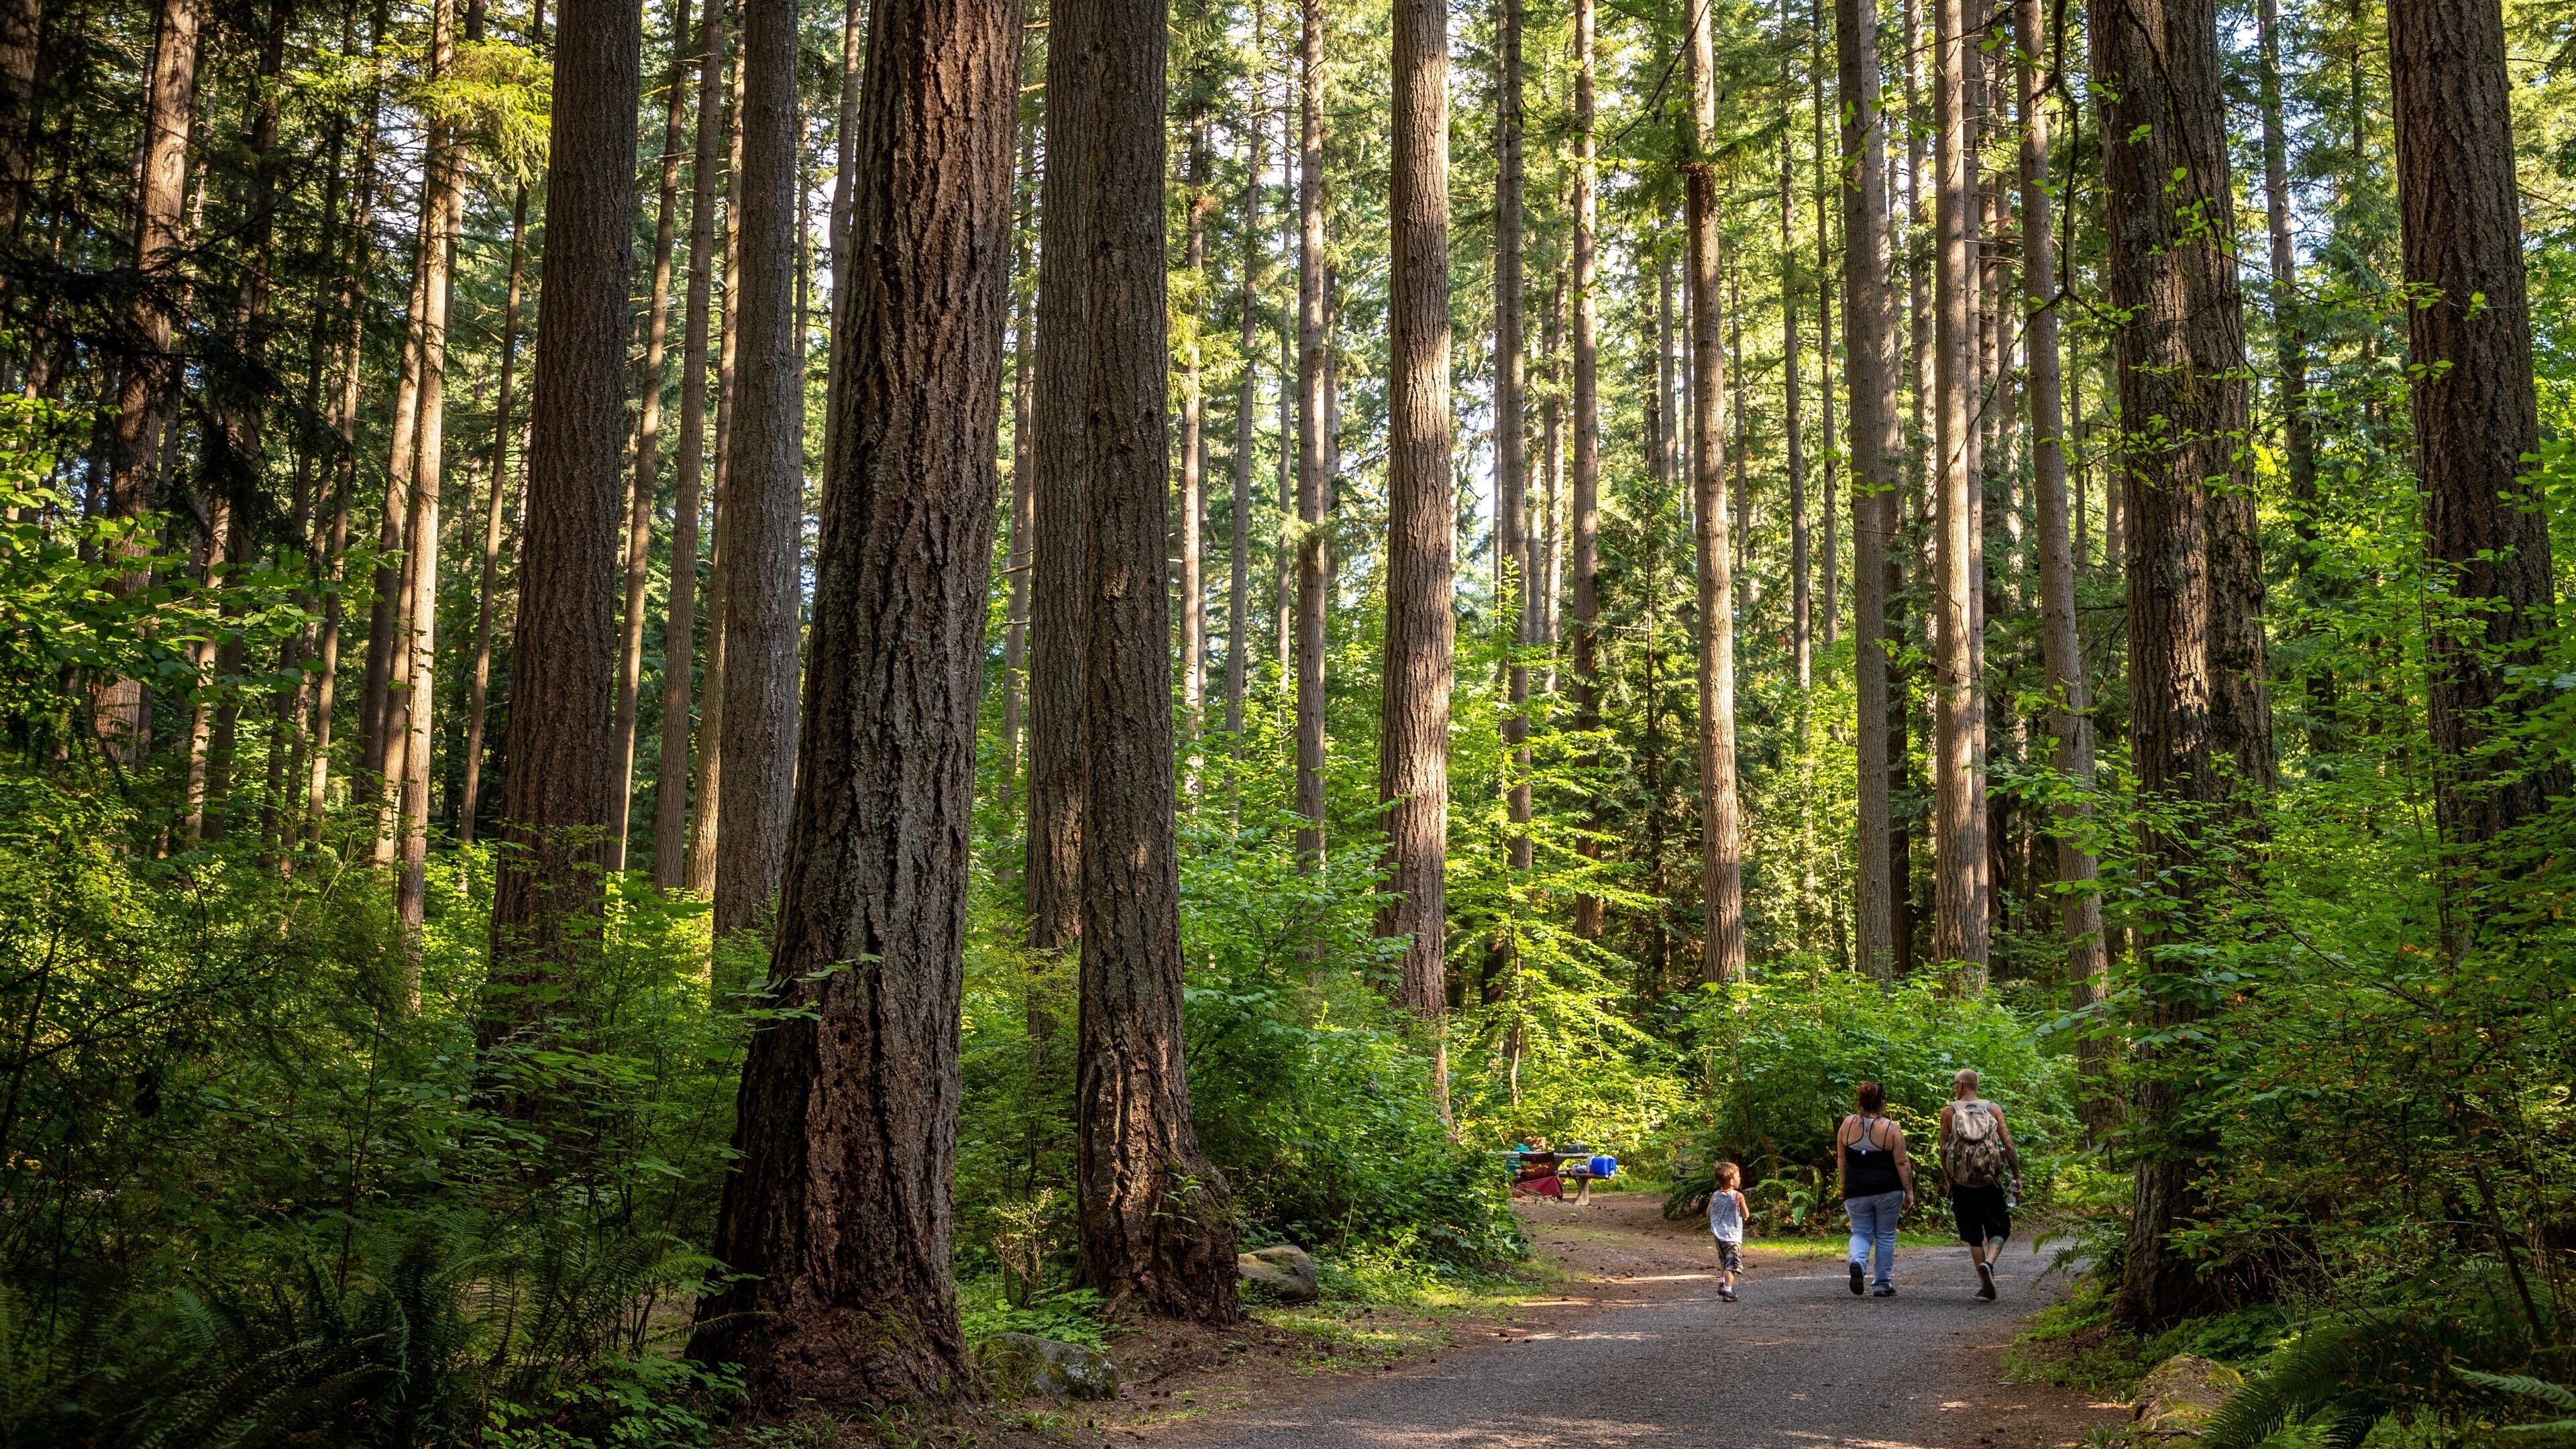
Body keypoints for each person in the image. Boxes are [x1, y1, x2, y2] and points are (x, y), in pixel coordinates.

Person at [1937, 1069, 2023, 1301]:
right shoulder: (1992, 1109)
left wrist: (1949, 1179)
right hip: (1989, 1182)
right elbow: (2008, 1144)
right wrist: (2017, 1176)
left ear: (1960, 1086)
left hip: (1962, 1184)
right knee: (2000, 1229)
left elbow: (1943, 1150)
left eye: (1955, 1084)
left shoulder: (1949, 1112)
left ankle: (1985, 1284)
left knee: (1973, 1236)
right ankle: (1989, 1263)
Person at [1837, 1081, 1915, 1297]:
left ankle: (1858, 1263)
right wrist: (1909, 1191)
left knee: (1860, 1232)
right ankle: (1882, 1284)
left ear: (1860, 1101)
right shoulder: (1891, 1128)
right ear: (1882, 1102)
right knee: (1886, 1236)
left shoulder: (1847, 1124)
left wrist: (1845, 1188)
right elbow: (1902, 1163)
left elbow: (1842, 1160)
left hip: (1856, 1189)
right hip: (1887, 1190)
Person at [1706, 1161, 1750, 1302]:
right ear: (1732, 1182)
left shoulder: (1715, 1195)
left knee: (1724, 1262)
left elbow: (1708, 1212)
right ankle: (1728, 1292)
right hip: (1732, 1237)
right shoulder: (1738, 1196)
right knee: (1731, 1266)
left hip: (1718, 1235)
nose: (1740, 1179)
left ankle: (1721, 1284)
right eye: (1738, 1177)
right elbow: (1746, 1215)